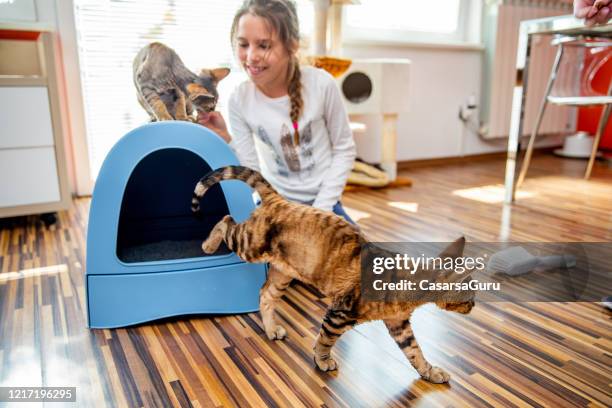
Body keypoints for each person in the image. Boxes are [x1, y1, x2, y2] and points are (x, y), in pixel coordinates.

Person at [197, 0, 357, 224]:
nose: (251, 56)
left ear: (291, 45)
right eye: (243, 44)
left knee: (360, 256)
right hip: (274, 204)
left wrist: (319, 212)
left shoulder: (321, 84)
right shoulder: (239, 99)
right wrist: (227, 139)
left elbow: (344, 149)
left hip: (324, 204)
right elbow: (250, 170)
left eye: (263, 45)